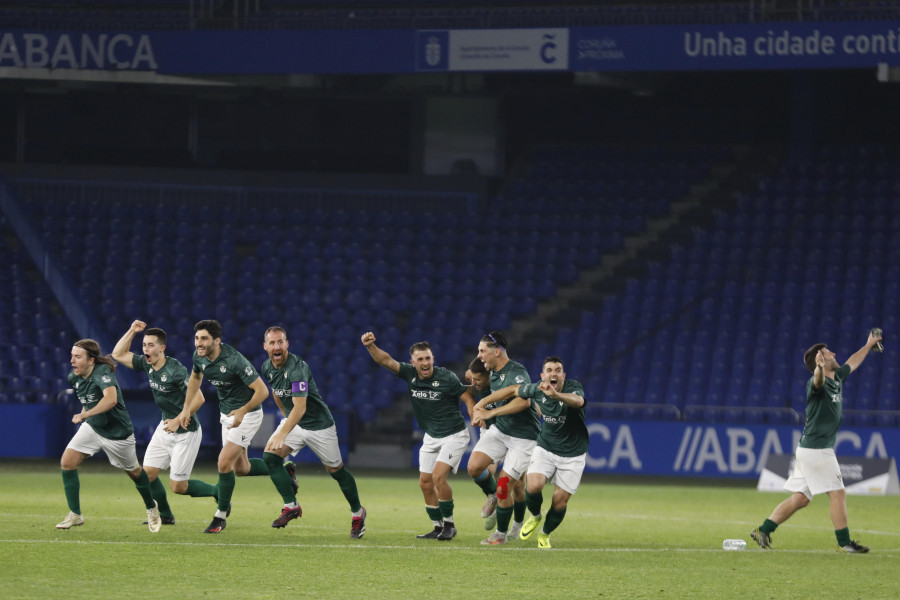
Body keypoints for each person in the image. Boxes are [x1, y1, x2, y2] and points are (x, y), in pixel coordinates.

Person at [751, 331, 882, 553]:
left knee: (801, 498)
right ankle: (844, 542)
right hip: (817, 450)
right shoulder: (816, 382)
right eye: (828, 352)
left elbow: (853, 361)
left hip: (809, 449)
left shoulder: (837, 377)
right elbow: (818, 380)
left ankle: (763, 530)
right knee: (838, 493)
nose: (833, 353)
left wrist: (869, 345)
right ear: (819, 361)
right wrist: (819, 369)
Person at [362, 331, 475, 541]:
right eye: (420, 359)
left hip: (454, 435)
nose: (425, 363)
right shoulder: (409, 374)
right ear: (413, 362)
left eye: (428, 358)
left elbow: (466, 395)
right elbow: (386, 360)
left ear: (433, 359)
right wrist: (370, 346)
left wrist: (472, 407)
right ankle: (436, 526)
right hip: (431, 436)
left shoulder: (446, 377)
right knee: (425, 482)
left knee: (438, 476)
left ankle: (449, 525)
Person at [260, 326, 367, 538]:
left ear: (287, 344)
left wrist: (282, 433)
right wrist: (284, 418)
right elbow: (276, 391)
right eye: (272, 343)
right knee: (270, 457)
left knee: (337, 472)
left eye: (280, 342)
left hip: (319, 425)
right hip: (295, 424)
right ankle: (291, 506)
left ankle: (358, 513)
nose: (277, 346)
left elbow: (300, 407)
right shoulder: (266, 367)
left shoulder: (298, 368)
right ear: (265, 346)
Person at [111, 320, 221, 526]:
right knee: (147, 475)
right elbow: (117, 354)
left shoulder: (175, 370)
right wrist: (132, 331)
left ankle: (219, 492)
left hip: (186, 431)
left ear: (162, 348)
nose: (146, 349)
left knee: (178, 487)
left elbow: (200, 399)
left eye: (151, 345)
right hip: (165, 428)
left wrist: (179, 420)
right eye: (144, 345)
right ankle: (166, 515)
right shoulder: (147, 363)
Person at [478, 356, 587, 549]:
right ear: (542, 375)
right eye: (549, 370)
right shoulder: (537, 389)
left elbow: (578, 401)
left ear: (564, 375)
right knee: (532, 487)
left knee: (559, 502)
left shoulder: (572, 387)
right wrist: (483, 404)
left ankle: (545, 534)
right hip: (546, 447)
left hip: (573, 454)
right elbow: (512, 390)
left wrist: (556, 396)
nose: (554, 373)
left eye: (558, 370)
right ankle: (535, 516)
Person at [175, 319, 271, 534]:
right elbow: (195, 379)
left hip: (248, 414)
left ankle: (220, 515)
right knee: (241, 469)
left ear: (217, 341)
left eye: (204, 339)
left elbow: (263, 392)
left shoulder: (234, 360)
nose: (199, 343)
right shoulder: (198, 356)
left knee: (223, 462)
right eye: (197, 338)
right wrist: (185, 409)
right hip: (227, 414)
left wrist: (243, 411)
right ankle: (282, 469)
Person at [56, 339, 162, 533]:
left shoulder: (102, 373)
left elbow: (111, 400)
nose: (72, 360)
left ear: (91, 360)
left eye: (78, 356)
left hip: (118, 434)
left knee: (135, 472)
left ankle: (151, 507)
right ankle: (75, 514)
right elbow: (87, 399)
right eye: (72, 356)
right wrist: (87, 415)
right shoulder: (75, 377)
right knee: (67, 462)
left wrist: (85, 414)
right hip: (93, 428)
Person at [467, 331, 538, 545]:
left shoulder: (516, 371)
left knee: (508, 484)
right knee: (474, 467)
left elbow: (523, 402)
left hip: (523, 438)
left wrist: (489, 412)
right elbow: (502, 390)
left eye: (482, 351)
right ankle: (493, 496)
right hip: (501, 432)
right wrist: (480, 405)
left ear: (496, 352)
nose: (479, 355)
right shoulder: (494, 372)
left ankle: (502, 533)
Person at [464, 356, 499, 531]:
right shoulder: (473, 376)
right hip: (491, 430)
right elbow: (467, 375)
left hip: (512, 430)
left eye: (478, 379)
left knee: (516, 484)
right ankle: (494, 497)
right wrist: (475, 410)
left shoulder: (502, 380)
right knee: (485, 470)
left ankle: (515, 525)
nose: (474, 382)